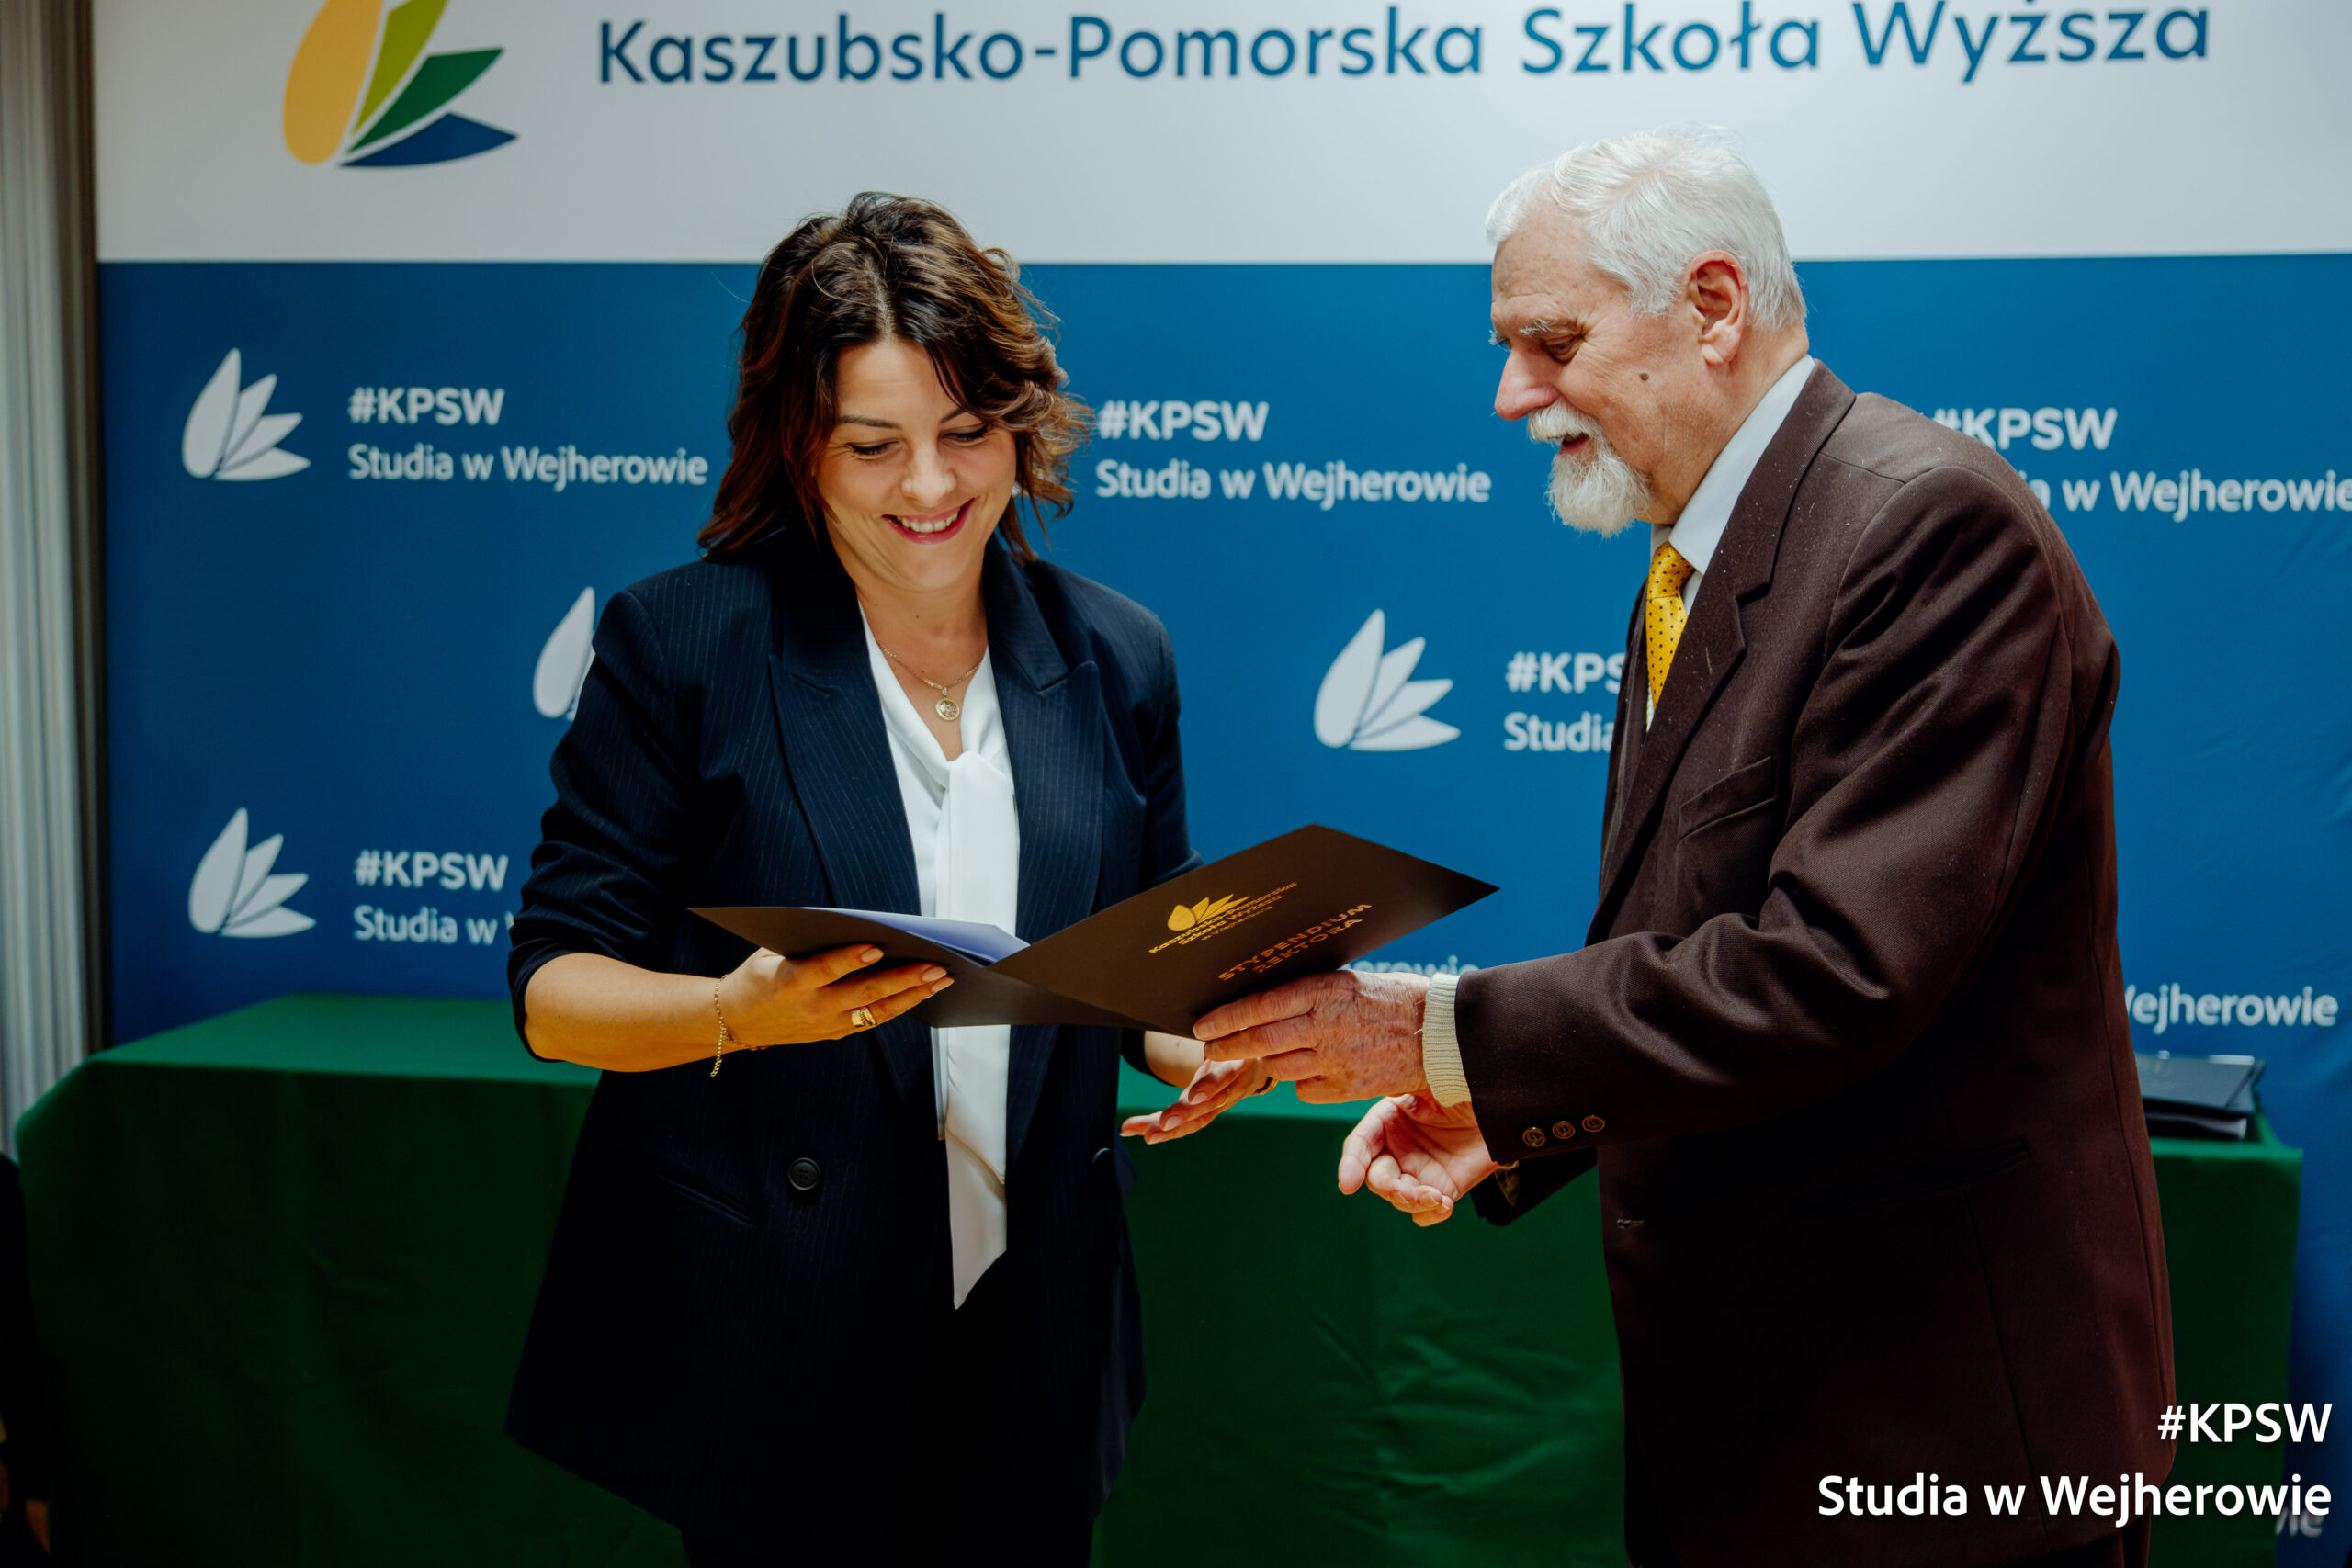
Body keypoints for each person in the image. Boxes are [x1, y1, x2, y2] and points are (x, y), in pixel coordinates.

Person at [1194, 130, 2172, 1567]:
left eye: (1551, 342)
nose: (1511, 393)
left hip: (1936, 1437)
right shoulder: (1704, 552)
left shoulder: (1927, 527)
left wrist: (1436, 1034)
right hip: (1768, 1425)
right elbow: (1688, 946)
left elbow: (1831, 974)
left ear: (1713, 306)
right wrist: (1512, 1112)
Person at [503, 193, 1262, 1566]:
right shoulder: (683, 644)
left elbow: (1144, 965)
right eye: (874, 445)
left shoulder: (1117, 654)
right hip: (779, 1330)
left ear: (1021, 426)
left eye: (967, 433)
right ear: (801, 445)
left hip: (1036, 1328)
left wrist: (1219, 1036)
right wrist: (735, 1015)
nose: (929, 485)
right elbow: (555, 993)